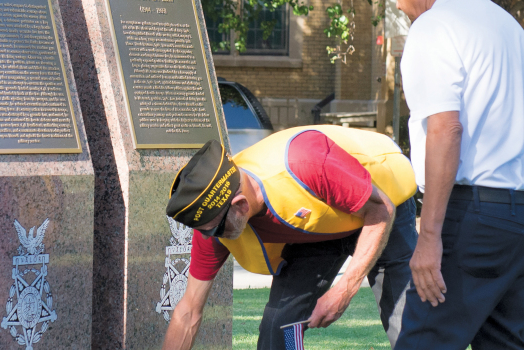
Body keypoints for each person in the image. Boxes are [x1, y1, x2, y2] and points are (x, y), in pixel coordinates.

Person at [162, 125, 420, 350]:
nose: (212, 238)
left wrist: (344, 290)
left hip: (379, 202)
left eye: (217, 230)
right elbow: (188, 312)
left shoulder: (305, 164)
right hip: (316, 224)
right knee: (280, 324)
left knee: (406, 320)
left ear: (240, 205)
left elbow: (381, 209)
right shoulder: (211, 222)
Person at [394, 0, 524, 348]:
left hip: (468, 218)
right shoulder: (510, 29)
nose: (395, 3)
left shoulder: (433, 26)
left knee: (423, 342)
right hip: (522, 216)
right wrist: (511, 205)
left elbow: (446, 131)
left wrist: (429, 236)